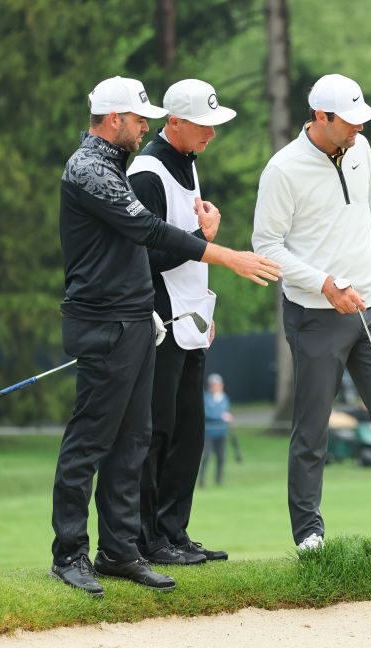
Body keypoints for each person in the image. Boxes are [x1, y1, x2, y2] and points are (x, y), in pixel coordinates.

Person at [50, 76, 280, 598]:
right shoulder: (88, 170)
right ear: (114, 120)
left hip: (134, 319)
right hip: (103, 321)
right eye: (138, 119)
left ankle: (119, 551)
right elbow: (151, 233)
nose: (144, 126)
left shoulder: (112, 166)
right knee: (89, 442)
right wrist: (227, 256)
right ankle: (69, 554)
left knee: (132, 443)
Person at [252, 73, 371, 551]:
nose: (360, 128)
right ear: (322, 117)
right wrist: (323, 283)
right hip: (316, 316)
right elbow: (266, 246)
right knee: (312, 430)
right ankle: (309, 534)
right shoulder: (283, 170)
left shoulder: (361, 151)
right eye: (351, 121)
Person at [128, 79, 235, 566]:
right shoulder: (147, 172)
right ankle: (148, 539)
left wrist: (206, 310)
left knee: (189, 431)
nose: (211, 133)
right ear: (174, 122)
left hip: (191, 318)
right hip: (161, 321)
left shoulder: (187, 164)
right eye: (203, 125)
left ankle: (174, 532)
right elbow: (142, 256)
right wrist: (202, 233)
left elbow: (190, 253)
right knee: (159, 431)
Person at [201, 373, 233, 486]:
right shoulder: (206, 398)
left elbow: (226, 411)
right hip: (209, 433)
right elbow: (207, 413)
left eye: (218, 384)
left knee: (221, 457)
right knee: (207, 456)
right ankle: (202, 480)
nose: (216, 386)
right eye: (214, 384)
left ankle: (219, 480)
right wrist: (221, 416)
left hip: (221, 432)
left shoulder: (224, 398)